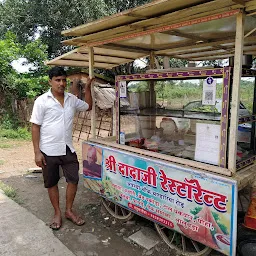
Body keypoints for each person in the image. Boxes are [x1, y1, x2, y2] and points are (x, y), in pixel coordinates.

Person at [30, 66, 93, 230]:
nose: (62, 83)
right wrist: (37, 152)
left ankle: (69, 211)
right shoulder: (42, 101)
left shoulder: (71, 99)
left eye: (64, 80)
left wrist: (87, 88)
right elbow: (35, 126)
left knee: (74, 179)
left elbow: (88, 106)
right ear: (50, 81)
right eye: (58, 80)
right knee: (51, 183)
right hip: (48, 150)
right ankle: (57, 212)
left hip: (67, 148)